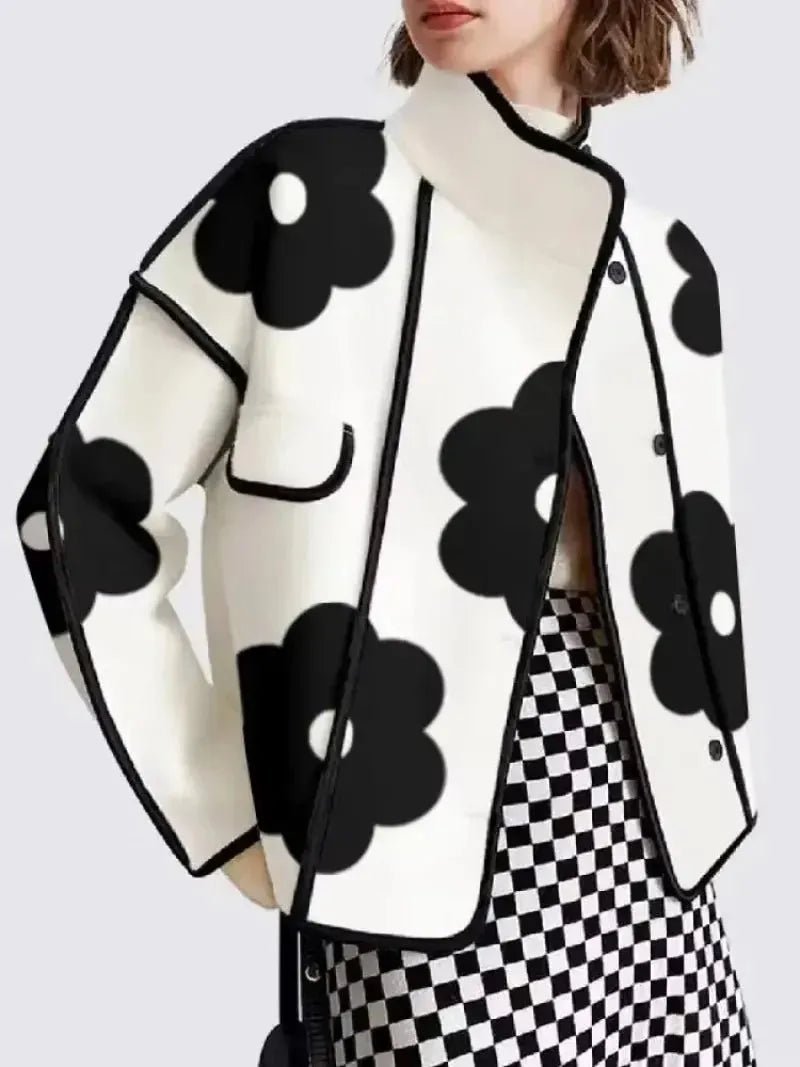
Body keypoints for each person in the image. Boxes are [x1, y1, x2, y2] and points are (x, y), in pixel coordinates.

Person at [14, 1, 758, 1065]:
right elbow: (78, 507)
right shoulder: (304, 196)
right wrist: (227, 810)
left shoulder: (670, 268)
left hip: (658, 857)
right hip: (411, 851)